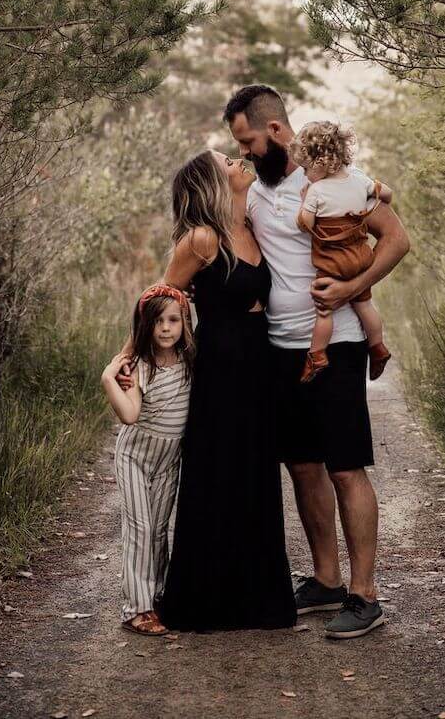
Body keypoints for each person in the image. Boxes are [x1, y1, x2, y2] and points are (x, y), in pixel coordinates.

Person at [224, 84, 410, 640]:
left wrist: (352, 284)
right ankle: (327, 581)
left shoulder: (330, 179)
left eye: (248, 140)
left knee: (345, 466)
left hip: (338, 344)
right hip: (279, 349)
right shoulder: (253, 191)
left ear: (276, 131)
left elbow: (396, 240)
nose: (246, 151)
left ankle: (365, 594)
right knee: (302, 465)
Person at [146, 150, 296, 631]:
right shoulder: (202, 239)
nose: (238, 159)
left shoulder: (252, 224)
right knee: (217, 470)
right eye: (226, 159)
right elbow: (161, 300)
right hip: (219, 365)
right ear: (214, 180)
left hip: (259, 359)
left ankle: (259, 601)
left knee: (255, 470)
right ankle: (205, 600)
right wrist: (133, 357)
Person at [101, 285, 194, 636]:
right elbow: (129, 414)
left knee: (157, 530)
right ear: (145, 326)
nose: (166, 328)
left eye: (173, 320)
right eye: (158, 321)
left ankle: (154, 596)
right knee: (139, 527)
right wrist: (108, 378)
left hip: (168, 458)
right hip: (135, 456)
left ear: (185, 323)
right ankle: (135, 609)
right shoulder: (140, 367)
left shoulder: (189, 363)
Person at [289, 120, 393, 384]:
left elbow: (305, 225)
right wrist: (378, 191)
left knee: (324, 311)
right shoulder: (359, 179)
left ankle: (317, 354)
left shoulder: (316, 191)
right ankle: (378, 347)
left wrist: (303, 202)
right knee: (364, 304)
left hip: (334, 262)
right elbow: (387, 194)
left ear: (321, 161)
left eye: (305, 167)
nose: (303, 174)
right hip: (360, 257)